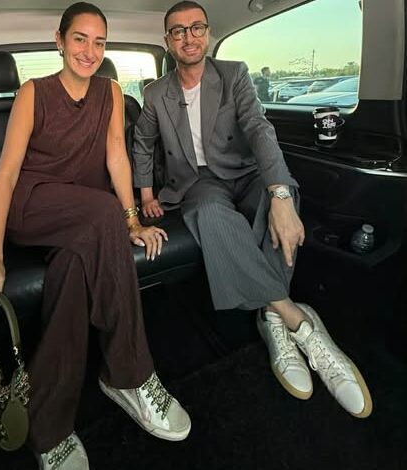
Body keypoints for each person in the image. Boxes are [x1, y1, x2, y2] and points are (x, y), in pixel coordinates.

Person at [0, 3, 191, 469]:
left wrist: (132, 221)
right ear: (60, 41)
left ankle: (48, 428)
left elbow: (116, 157)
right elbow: (6, 175)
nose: (90, 51)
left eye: (99, 42)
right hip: (35, 206)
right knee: (103, 211)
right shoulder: (33, 93)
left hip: (86, 218)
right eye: (80, 39)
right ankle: (131, 374)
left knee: (71, 273)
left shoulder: (110, 92)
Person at [133, 1, 372, 419]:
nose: (189, 37)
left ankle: (269, 315)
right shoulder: (155, 93)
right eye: (178, 31)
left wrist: (280, 194)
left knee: (281, 197)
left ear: (207, 33)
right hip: (197, 181)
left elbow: (259, 128)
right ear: (167, 41)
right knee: (209, 213)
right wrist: (147, 194)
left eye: (196, 28)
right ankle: (294, 318)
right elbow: (142, 144)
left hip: (242, 171)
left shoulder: (234, 74)